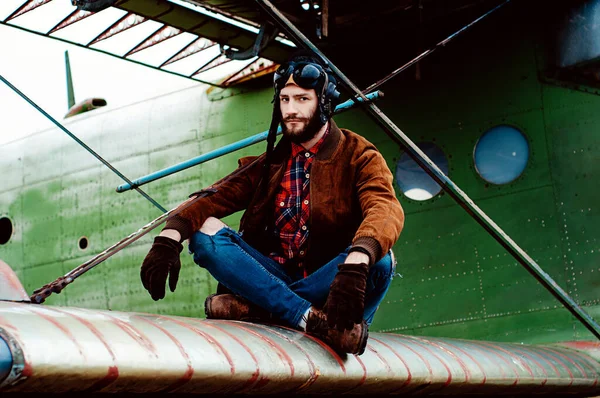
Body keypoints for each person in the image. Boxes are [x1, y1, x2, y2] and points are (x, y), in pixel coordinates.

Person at [140, 54, 405, 355]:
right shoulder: (270, 162)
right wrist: (169, 237)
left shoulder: (359, 155)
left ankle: (260, 311)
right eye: (285, 100)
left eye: (302, 99)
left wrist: (358, 260)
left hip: (332, 286)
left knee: (381, 259)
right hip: (271, 275)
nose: (291, 110)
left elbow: (384, 208)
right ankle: (311, 320)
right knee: (202, 232)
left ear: (325, 102)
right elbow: (212, 198)